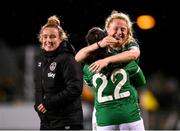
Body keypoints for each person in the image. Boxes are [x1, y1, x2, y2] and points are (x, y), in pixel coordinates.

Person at [76, 11, 146, 130]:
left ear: (129, 33)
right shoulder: (127, 60)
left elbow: (133, 54)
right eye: (116, 28)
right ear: (106, 30)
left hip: (105, 115)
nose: (119, 32)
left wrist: (106, 60)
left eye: (123, 29)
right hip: (123, 113)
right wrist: (100, 44)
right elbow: (140, 81)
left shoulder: (127, 46)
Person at [34, 15, 84, 130]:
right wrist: (37, 105)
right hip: (47, 122)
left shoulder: (68, 58)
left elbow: (75, 88)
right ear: (41, 38)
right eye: (45, 37)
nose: (48, 40)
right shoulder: (40, 60)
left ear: (61, 39)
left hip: (66, 122)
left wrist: (48, 104)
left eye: (52, 37)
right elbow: (38, 87)